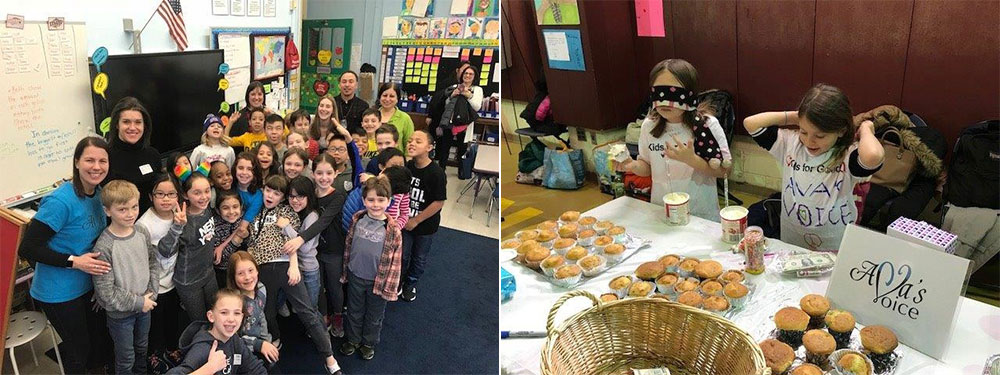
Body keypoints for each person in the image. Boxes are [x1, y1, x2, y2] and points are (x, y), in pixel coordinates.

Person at [744, 84, 884, 251]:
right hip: (792, 239)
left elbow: (873, 155)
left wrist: (866, 129)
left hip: (834, 243)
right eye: (804, 131)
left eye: (820, 135)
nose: (810, 141)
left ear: (840, 131)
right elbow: (750, 123)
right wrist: (798, 117)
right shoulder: (790, 144)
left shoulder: (847, 155)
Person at [17, 137, 112, 374]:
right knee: (78, 350)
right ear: (77, 162)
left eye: (103, 160)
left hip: (88, 285)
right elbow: (28, 248)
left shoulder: (99, 193)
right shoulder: (61, 201)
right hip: (58, 293)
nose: (96, 166)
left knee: (96, 344)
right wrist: (74, 262)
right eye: (90, 160)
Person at [247, 175, 342, 374]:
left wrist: (293, 265)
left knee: (308, 312)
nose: (271, 196)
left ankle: (330, 359)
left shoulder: (287, 211)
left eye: (277, 193)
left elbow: (294, 243)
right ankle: (274, 341)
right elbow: (251, 243)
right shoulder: (255, 213)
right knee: (267, 313)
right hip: (261, 270)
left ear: (282, 198)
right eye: (268, 191)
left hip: (285, 266)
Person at [621, 59, 730, 220]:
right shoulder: (649, 126)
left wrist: (691, 159)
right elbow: (647, 166)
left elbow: (724, 170)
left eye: (673, 93)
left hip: (700, 213)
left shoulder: (708, 125)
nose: (665, 101)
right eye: (659, 93)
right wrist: (632, 165)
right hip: (662, 210)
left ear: (690, 94)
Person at [92, 180, 160, 375]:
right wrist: (139, 303)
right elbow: (106, 292)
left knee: (142, 347)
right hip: (121, 316)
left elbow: (152, 263)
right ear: (107, 211)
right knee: (125, 357)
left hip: (145, 306)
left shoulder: (141, 231)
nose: (130, 214)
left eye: (134, 207)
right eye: (122, 209)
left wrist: (151, 295)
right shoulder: (104, 247)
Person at [338, 176, 403, 361]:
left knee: (374, 316)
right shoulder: (357, 219)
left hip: (378, 281)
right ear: (364, 200)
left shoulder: (392, 229)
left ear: (389, 201)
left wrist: (389, 288)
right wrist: (346, 271)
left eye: (381, 200)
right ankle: (353, 339)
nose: (376, 205)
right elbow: (349, 246)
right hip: (355, 275)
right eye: (371, 200)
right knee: (354, 310)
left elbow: (396, 262)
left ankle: (368, 342)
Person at [138, 175, 188, 371]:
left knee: (172, 319)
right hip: (155, 284)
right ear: (151, 196)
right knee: (154, 324)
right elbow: (160, 253)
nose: (166, 199)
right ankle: (152, 354)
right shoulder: (144, 224)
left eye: (171, 194)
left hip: (174, 280)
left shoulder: (180, 213)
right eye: (160, 194)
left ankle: (172, 348)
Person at [157, 173, 219, 322]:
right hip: (189, 280)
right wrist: (178, 226)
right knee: (199, 321)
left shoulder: (207, 209)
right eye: (197, 193)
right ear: (185, 195)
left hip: (209, 272)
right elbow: (165, 251)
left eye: (206, 191)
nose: (204, 196)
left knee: (216, 314)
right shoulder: (182, 219)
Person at [165, 289, 269, 375]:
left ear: (242, 317)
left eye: (237, 313)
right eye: (224, 312)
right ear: (211, 316)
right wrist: (210, 368)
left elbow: (255, 368)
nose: (231, 319)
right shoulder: (202, 349)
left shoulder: (234, 339)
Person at [400, 130, 447, 302]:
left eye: (418, 141)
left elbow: (438, 202)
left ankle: (410, 284)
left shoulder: (436, 173)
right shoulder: (407, 167)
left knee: (419, 258)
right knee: (402, 255)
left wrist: (416, 220)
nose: (411, 143)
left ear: (429, 147)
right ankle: (399, 281)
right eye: (410, 140)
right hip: (405, 222)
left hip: (425, 225)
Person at [106, 97, 162, 214]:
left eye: (138, 122)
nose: (132, 128)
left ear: (144, 125)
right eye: (126, 122)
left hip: (151, 224)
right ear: (117, 124)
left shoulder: (153, 155)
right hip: (120, 227)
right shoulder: (105, 157)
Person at [226, 251, 280, 370]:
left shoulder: (261, 289)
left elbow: (261, 317)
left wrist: (266, 341)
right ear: (233, 277)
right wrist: (258, 345)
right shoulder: (232, 303)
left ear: (257, 270)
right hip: (242, 349)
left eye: (251, 270)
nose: (247, 277)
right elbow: (230, 338)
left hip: (260, 343)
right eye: (240, 273)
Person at [428, 63, 484, 169]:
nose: (467, 76)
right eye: (466, 73)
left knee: (462, 148)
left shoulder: (477, 89)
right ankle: (441, 169)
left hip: (464, 124)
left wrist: (468, 95)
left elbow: (477, 107)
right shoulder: (454, 86)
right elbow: (446, 105)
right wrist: (452, 95)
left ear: (475, 76)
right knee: (445, 146)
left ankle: (461, 172)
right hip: (450, 122)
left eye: (471, 74)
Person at [344, 151, 410, 233]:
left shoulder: (370, 184)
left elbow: (405, 214)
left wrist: (394, 227)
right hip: (360, 231)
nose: (378, 178)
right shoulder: (371, 191)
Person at [286, 176, 322, 305]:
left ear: (309, 196)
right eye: (291, 196)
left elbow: (305, 248)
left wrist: (286, 227)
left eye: (300, 196)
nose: (295, 200)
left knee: (310, 308)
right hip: (295, 268)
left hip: (309, 270)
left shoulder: (312, 216)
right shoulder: (293, 213)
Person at [211, 190, 245, 289]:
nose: (231, 212)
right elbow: (218, 259)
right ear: (218, 210)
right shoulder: (215, 226)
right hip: (223, 271)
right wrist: (235, 241)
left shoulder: (243, 219)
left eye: (235, 207)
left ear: (241, 207)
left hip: (242, 268)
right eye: (225, 208)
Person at [375, 83, 414, 151]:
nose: (387, 99)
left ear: (397, 99)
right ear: (379, 97)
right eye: (385, 95)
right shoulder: (372, 116)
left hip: (397, 160)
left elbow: (409, 145)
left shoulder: (405, 118)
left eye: (392, 96)